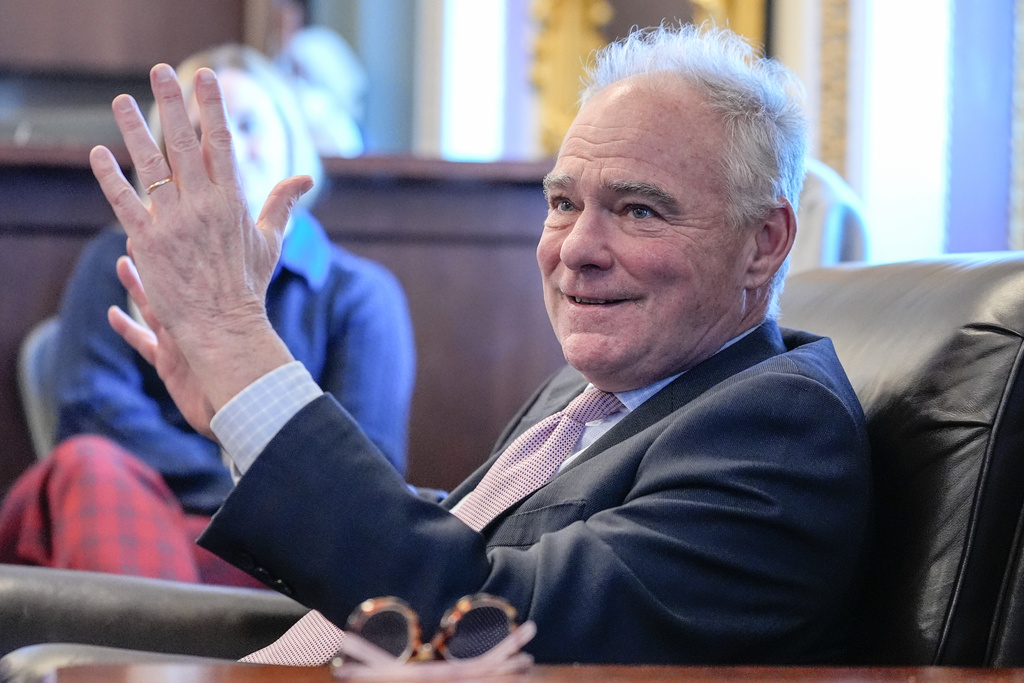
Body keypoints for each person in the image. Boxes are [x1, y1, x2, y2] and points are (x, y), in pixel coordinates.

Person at [89, 24, 871, 664]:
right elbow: (456, 532)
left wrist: (243, 353)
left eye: (638, 210)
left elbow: (484, 615)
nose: (577, 249)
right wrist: (238, 413)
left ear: (764, 242)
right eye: (564, 203)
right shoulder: (589, 393)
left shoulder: (780, 426)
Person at [0, 44, 415, 586]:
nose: (228, 148)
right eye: (197, 133)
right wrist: (249, 484)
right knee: (89, 465)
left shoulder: (362, 294)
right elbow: (91, 411)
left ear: (292, 143)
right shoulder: (115, 261)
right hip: (138, 519)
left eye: (246, 123)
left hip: (281, 550)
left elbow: (368, 473)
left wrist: (256, 502)